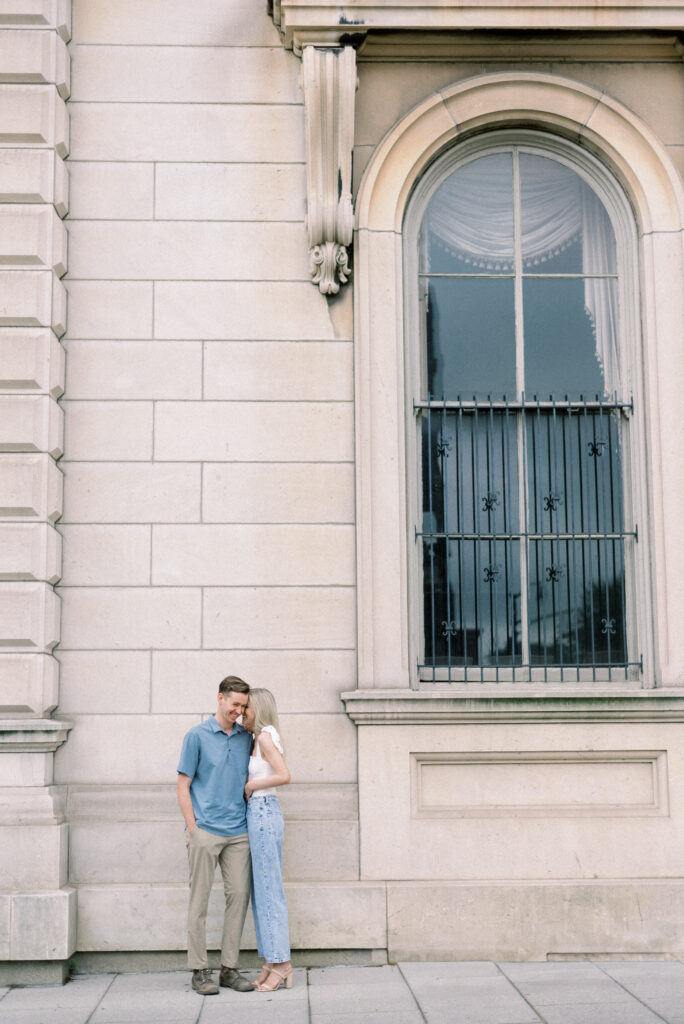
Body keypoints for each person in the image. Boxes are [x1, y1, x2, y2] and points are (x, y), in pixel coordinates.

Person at [176, 676, 255, 997]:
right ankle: (199, 970)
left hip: (239, 833)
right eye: (235, 704)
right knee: (199, 901)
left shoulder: (245, 738)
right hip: (205, 831)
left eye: (244, 706)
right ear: (220, 699)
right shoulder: (196, 736)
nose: (239, 710)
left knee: (238, 899)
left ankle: (229, 969)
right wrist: (193, 828)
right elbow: (183, 784)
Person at [241, 688, 293, 992]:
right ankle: (272, 962)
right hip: (259, 812)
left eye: (247, 708)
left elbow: (285, 775)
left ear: (257, 709)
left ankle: (282, 964)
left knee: (268, 888)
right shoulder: (259, 737)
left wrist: (252, 785)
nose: (242, 713)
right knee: (262, 888)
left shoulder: (263, 738)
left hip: (262, 809)